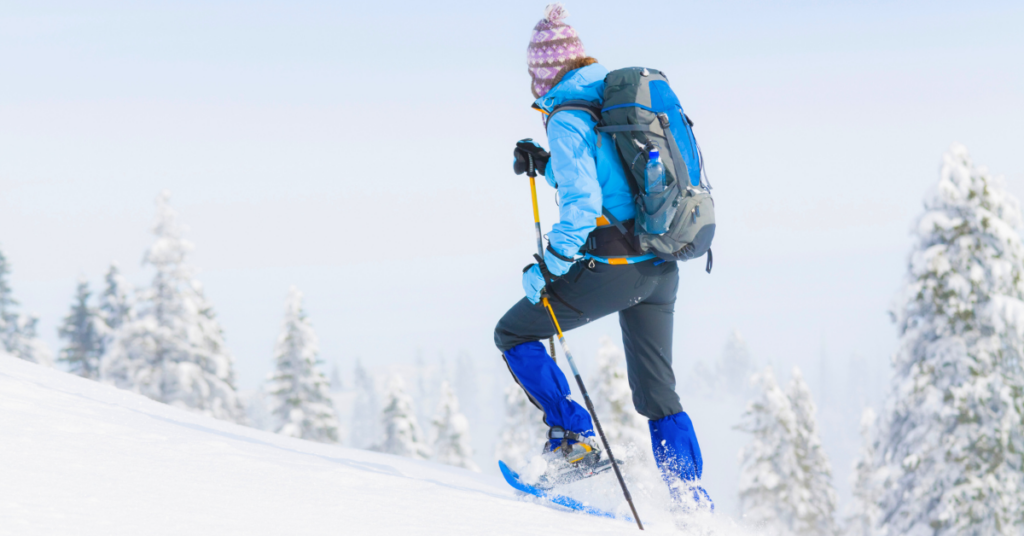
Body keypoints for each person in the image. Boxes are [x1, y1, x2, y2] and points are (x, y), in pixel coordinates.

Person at [494, 3, 712, 508]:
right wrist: (548, 166)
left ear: (543, 72)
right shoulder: (611, 103)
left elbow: (583, 207)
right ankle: (689, 497)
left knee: (514, 332)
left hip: (616, 268)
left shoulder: (568, 118)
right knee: (659, 394)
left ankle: (574, 442)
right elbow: (615, 186)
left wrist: (550, 265)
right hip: (661, 265)